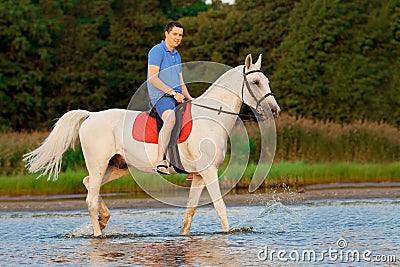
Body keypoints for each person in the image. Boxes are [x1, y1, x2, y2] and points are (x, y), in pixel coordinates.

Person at [147, 21, 193, 175]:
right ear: (166, 33)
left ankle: (189, 162)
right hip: (161, 96)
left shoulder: (177, 55)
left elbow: (181, 82)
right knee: (171, 118)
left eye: (180, 35)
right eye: (175, 34)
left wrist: (190, 98)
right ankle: (161, 161)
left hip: (177, 96)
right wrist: (173, 93)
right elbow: (152, 78)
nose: (178, 37)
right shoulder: (157, 51)